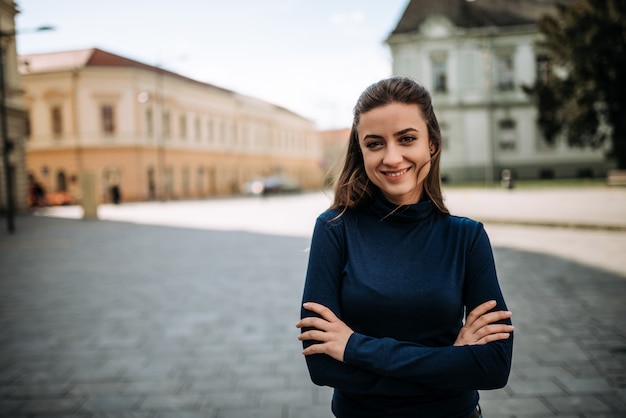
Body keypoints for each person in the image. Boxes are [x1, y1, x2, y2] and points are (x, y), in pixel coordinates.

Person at [296, 77, 514, 417]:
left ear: (432, 144)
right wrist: (450, 364)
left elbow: (493, 366)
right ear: (361, 151)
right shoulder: (335, 229)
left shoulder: (467, 237)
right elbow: (323, 365)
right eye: (375, 144)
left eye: (407, 139)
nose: (392, 157)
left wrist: (354, 346)